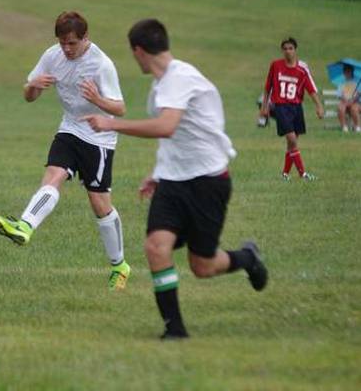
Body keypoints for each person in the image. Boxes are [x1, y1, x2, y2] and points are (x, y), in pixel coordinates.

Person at [82, 19, 268, 339]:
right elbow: (177, 136)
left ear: (139, 51)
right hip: (173, 182)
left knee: (202, 266)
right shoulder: (161, 85)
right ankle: (175, 328)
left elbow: (166, 126)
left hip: (208, 181)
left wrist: (112, 125)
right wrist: (158, 173)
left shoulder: (179, 78)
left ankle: (247, 258)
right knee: (157, 246)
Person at [0, 11, 131, 291]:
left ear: (85, 39)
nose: (66, 49)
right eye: (62, 43)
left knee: (100, 204)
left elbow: (120, 109)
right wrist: (32, 86)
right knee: (53, 175)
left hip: (99, 137)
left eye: (72, 44)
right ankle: (25, 226)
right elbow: (28, 97)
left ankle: (119, 265)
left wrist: (97, 99)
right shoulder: (52, 56)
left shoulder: (101, 65)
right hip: (69, 129)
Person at [260, 37, 324, 181]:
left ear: (295, 50)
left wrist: (319, 106)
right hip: (281, 107)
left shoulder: (302, 69)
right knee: (292, 139)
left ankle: (285, 174)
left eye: (291, 48)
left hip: (296, 107)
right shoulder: (276, 65)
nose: (288, 51)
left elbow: (311, 88)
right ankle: (303, 174)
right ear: (282, 51)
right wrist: (265, 107)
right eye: (285, 49)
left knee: (292, 143)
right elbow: (267, 87)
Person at [337, 64, 361, 133]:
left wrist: (352, 101)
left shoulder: (359, 80)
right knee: (340, 108)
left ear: (352, 71)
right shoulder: (341, 82)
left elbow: (360, 93)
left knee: (354, 109)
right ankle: (344, 127)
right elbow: (339, 94)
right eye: (345, 71)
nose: (346, 73)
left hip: (357, 102)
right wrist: (345, 100)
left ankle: (357, 127)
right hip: (345, 101)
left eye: (348, 71)